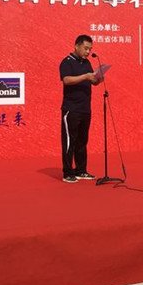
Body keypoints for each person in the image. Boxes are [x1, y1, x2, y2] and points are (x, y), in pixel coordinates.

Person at [60, 34, 100, 182]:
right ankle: (67, 172)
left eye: (90, 49)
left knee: (82, 141)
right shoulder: (67, 62)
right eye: (85, 48)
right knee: (69, 141)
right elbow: (66, 80)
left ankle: (81, 170)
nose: (88, 52)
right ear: (76, 46)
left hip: (85, 108)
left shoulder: (87, 63)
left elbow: (92, 81)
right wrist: (85, 76)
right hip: (71, 109)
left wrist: (98, 78)